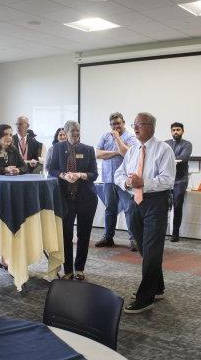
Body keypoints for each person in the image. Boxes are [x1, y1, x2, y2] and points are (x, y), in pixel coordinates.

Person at [114, 112, 175, 314]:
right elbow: (119, 174)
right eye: (135, 124)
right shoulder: (132, 151)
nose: (136, 127)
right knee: (144, 248)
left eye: (139, 124)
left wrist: (144, 183)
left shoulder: (163, 149)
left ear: (151, 126)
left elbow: (168, 180)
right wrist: (127, 182)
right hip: (134, 203)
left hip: (155, 203)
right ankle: (157, 286)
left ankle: (145, 297)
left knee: (151, 249)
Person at [49, 121, 98, 281]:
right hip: (65, 199)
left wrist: (80, 175)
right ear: (65, 132)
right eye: (73, 131)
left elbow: (94, 174)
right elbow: (52, 169)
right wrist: (63, 175)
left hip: (86, 199)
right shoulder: (57, 148)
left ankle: (80, 269)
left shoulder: (88, 149)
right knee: (66, 235)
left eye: (78, 131)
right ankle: (68, 270)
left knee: (83, 235)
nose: (76, 134)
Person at [95, 112, 138, 251]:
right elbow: (97, 154)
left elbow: (127, 153)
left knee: (129, 209)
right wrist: (115, 152)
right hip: (108, 178)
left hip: (124, 180)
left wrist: (118, 138)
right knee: (110, 210)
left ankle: (134, 240)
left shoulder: (130, 136)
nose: (116, 126)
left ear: (123, 122)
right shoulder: (105, 136)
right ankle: (108, 238)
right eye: (113, 124)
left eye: (118, 123)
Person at [165, 122, 193, 242]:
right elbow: (161, 158)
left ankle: (175, 234)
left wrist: (171, 159)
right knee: (163, 206)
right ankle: (162, 232)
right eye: (174, 130)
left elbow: (183, 158)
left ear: (182, 131)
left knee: (177, 206)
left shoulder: (187, 144)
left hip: (180, 180)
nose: (176, 132)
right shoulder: (165, 144)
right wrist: (174, 159)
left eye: (178, 130)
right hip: (166, 179)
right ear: (171, 131)